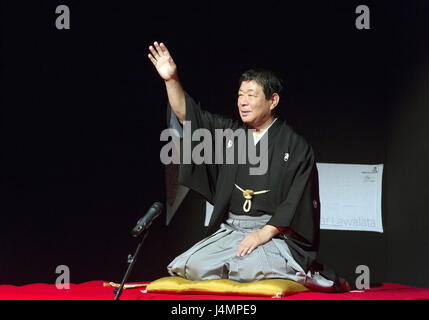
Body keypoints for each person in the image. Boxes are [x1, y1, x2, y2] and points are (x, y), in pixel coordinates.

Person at [148, 42, 348, 292]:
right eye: (240, 95)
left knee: (247, 270)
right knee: (191, 266)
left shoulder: (295, 146)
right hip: (233, 229)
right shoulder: (232, 135)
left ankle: (305, 271)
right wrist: (171, 79)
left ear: (272, 100)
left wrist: (262, 234)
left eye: (251, 95)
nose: (243, 101)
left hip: (275, 234)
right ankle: (260, 265)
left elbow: (295, 202)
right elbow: (189, 117)